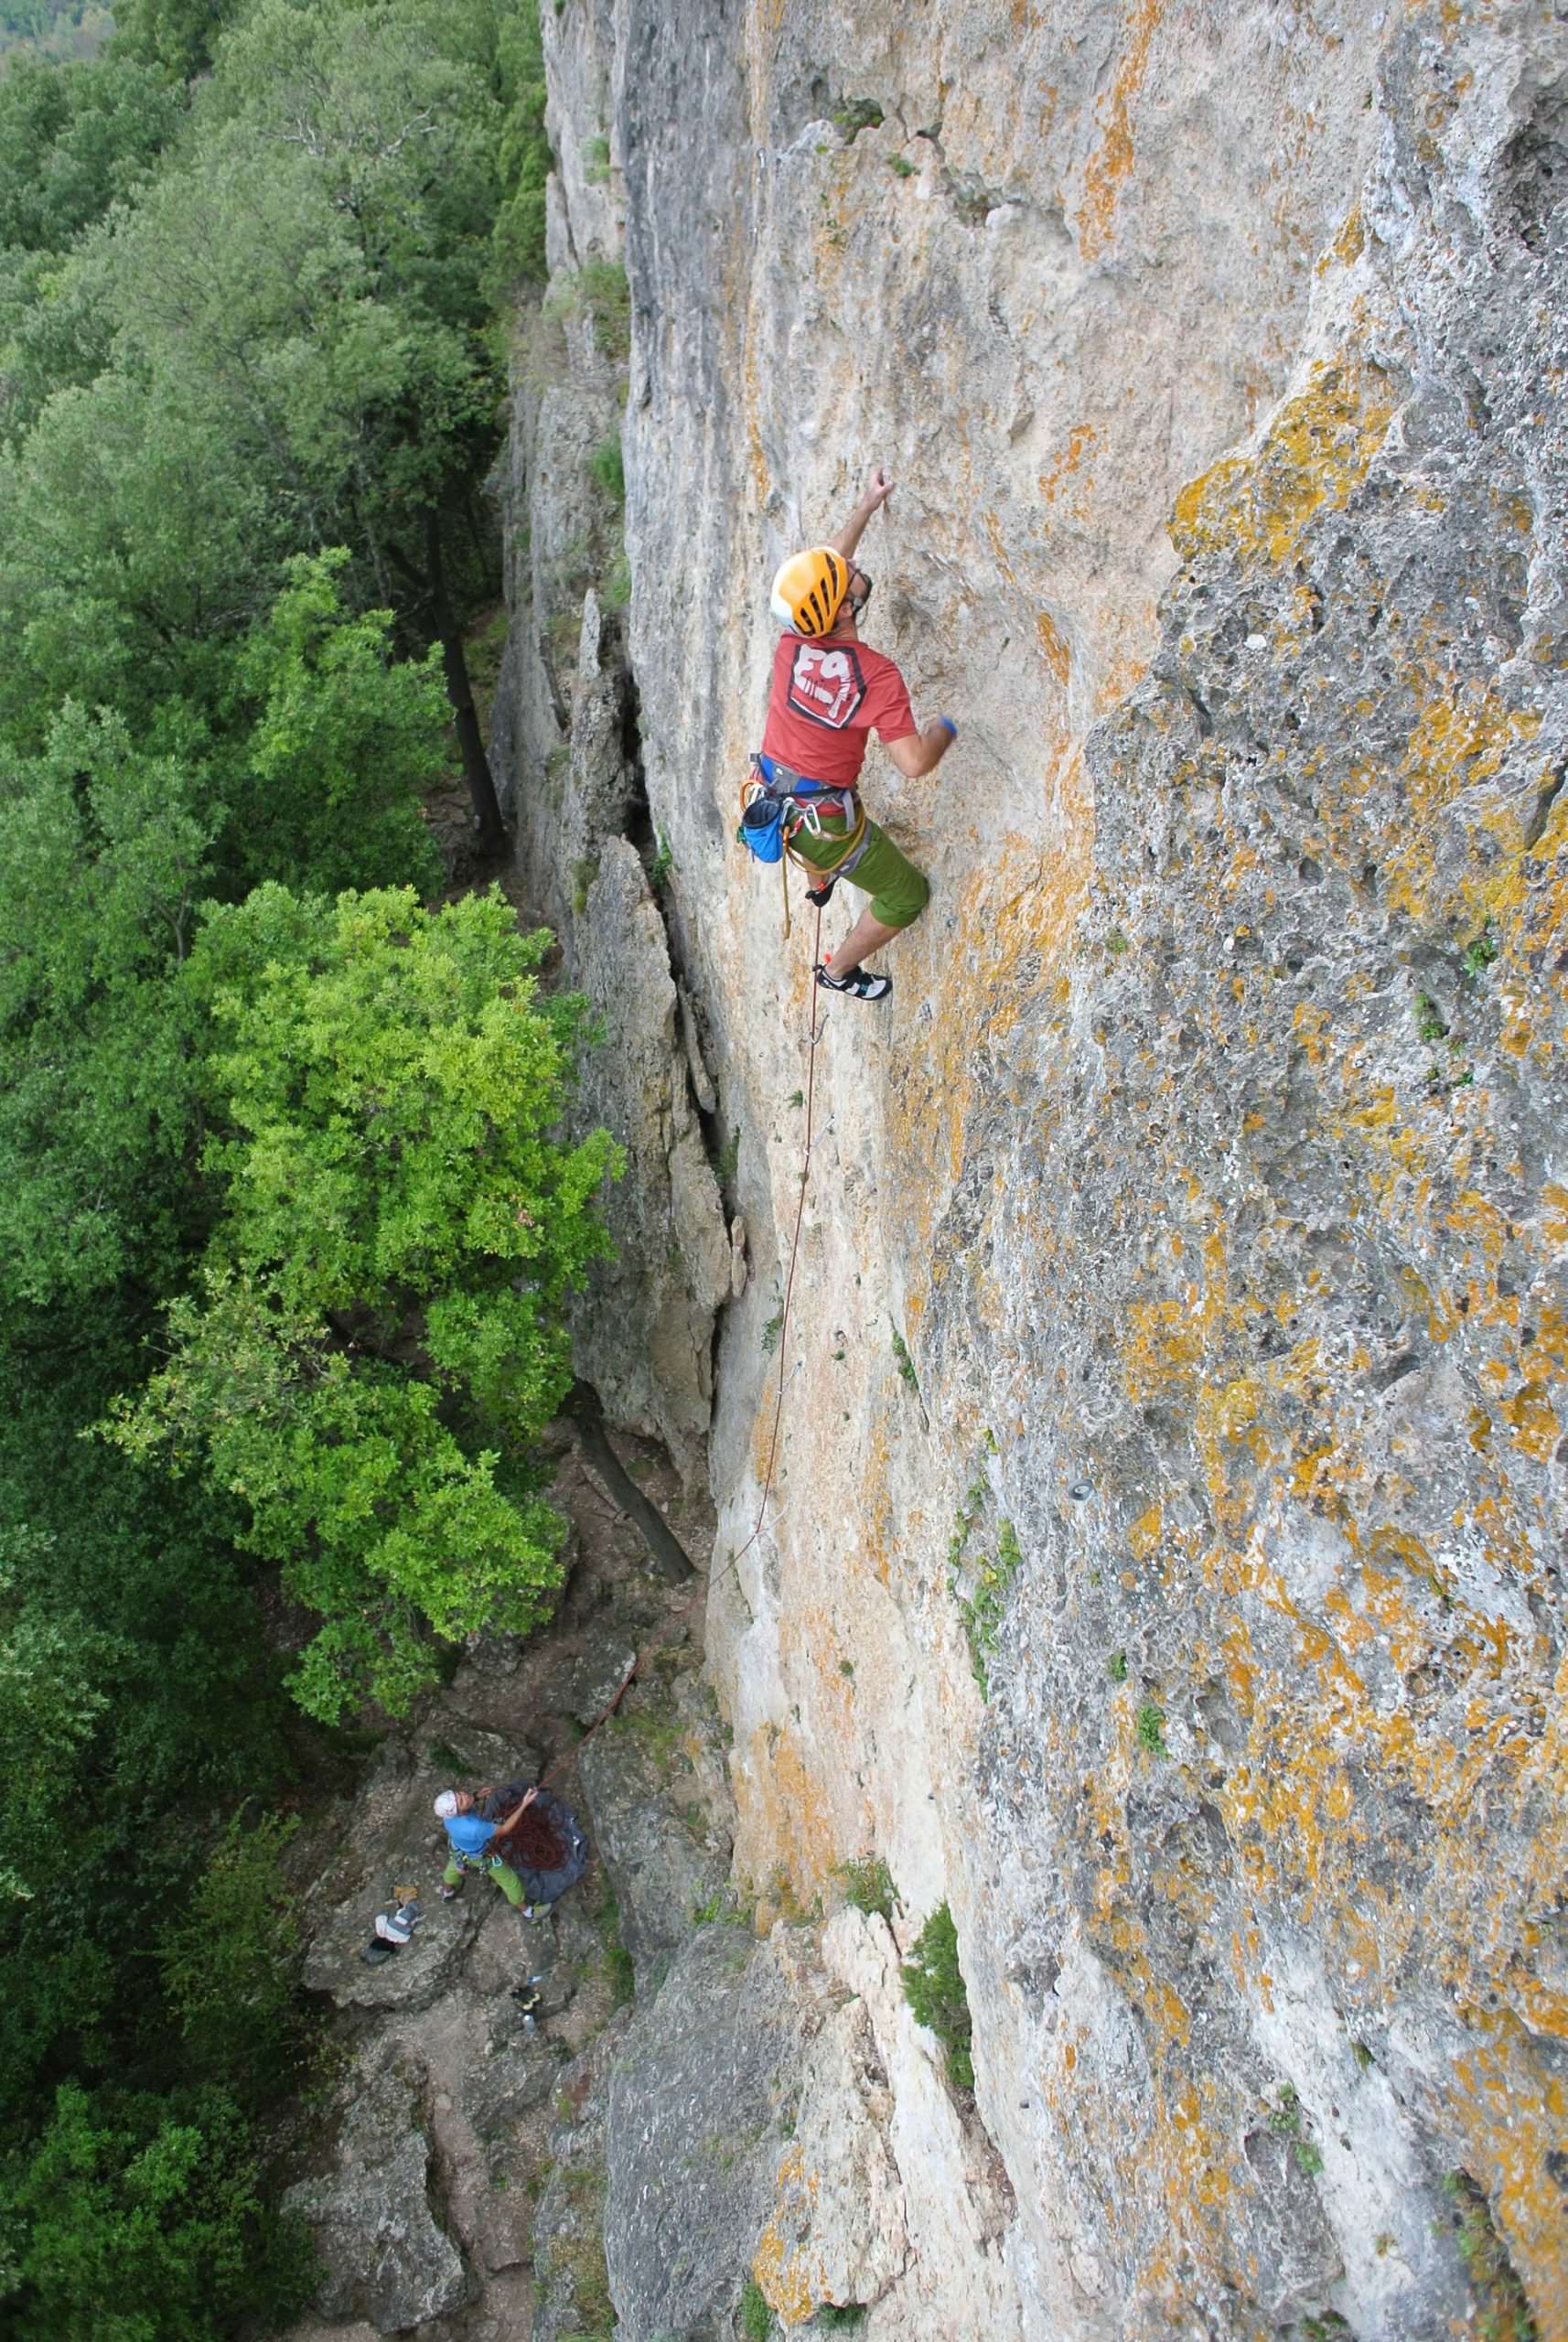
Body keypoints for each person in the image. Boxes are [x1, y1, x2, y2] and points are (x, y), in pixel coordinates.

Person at [757, 466, 958, 1004]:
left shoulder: (791, 641)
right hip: (823, 822)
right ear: (844, 609)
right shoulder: (876, 675)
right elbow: (914, 763)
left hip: (774, 794)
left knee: (824, 805)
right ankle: (840, 971)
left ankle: (821, 879)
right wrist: (948, 728)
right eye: (846, 581)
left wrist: (868, 507)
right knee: (904, 895)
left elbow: (828, 569)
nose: (850, 569)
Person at [434, 1781, 588, 1921]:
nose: (464, 1796)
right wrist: (524, 1804)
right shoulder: (475, 1827)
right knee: (511, 1882)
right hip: (481, 1855)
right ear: (457, 1812)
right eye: (461, 1800)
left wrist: (476, 1796)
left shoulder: (448, 1818)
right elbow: (505, 1829)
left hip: (459, 1848)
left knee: (453, 1868)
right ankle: (528, 1912)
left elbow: (464, 1808)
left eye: (459, 1794)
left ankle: (447, 1891)